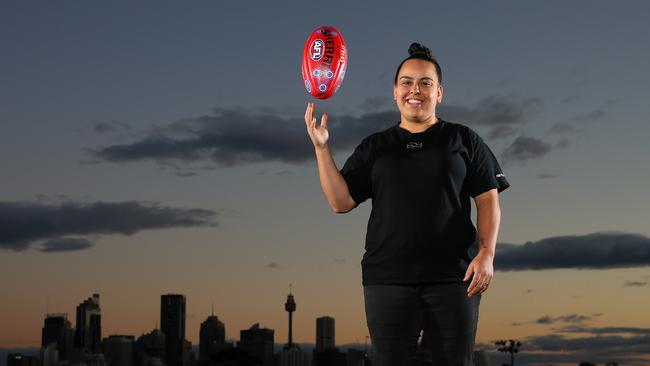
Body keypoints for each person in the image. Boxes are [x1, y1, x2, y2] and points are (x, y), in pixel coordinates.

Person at [303, 42, 510, 366]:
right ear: (395, 91)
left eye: (425, 82)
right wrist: (321, 149)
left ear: (439, 92)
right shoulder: (376, 146)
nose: (416, 90)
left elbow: (488, 200)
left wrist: (486, 254)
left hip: (454, 277)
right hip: (388, 278)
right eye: (407, 82)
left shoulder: (463, 139)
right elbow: (340, 202)